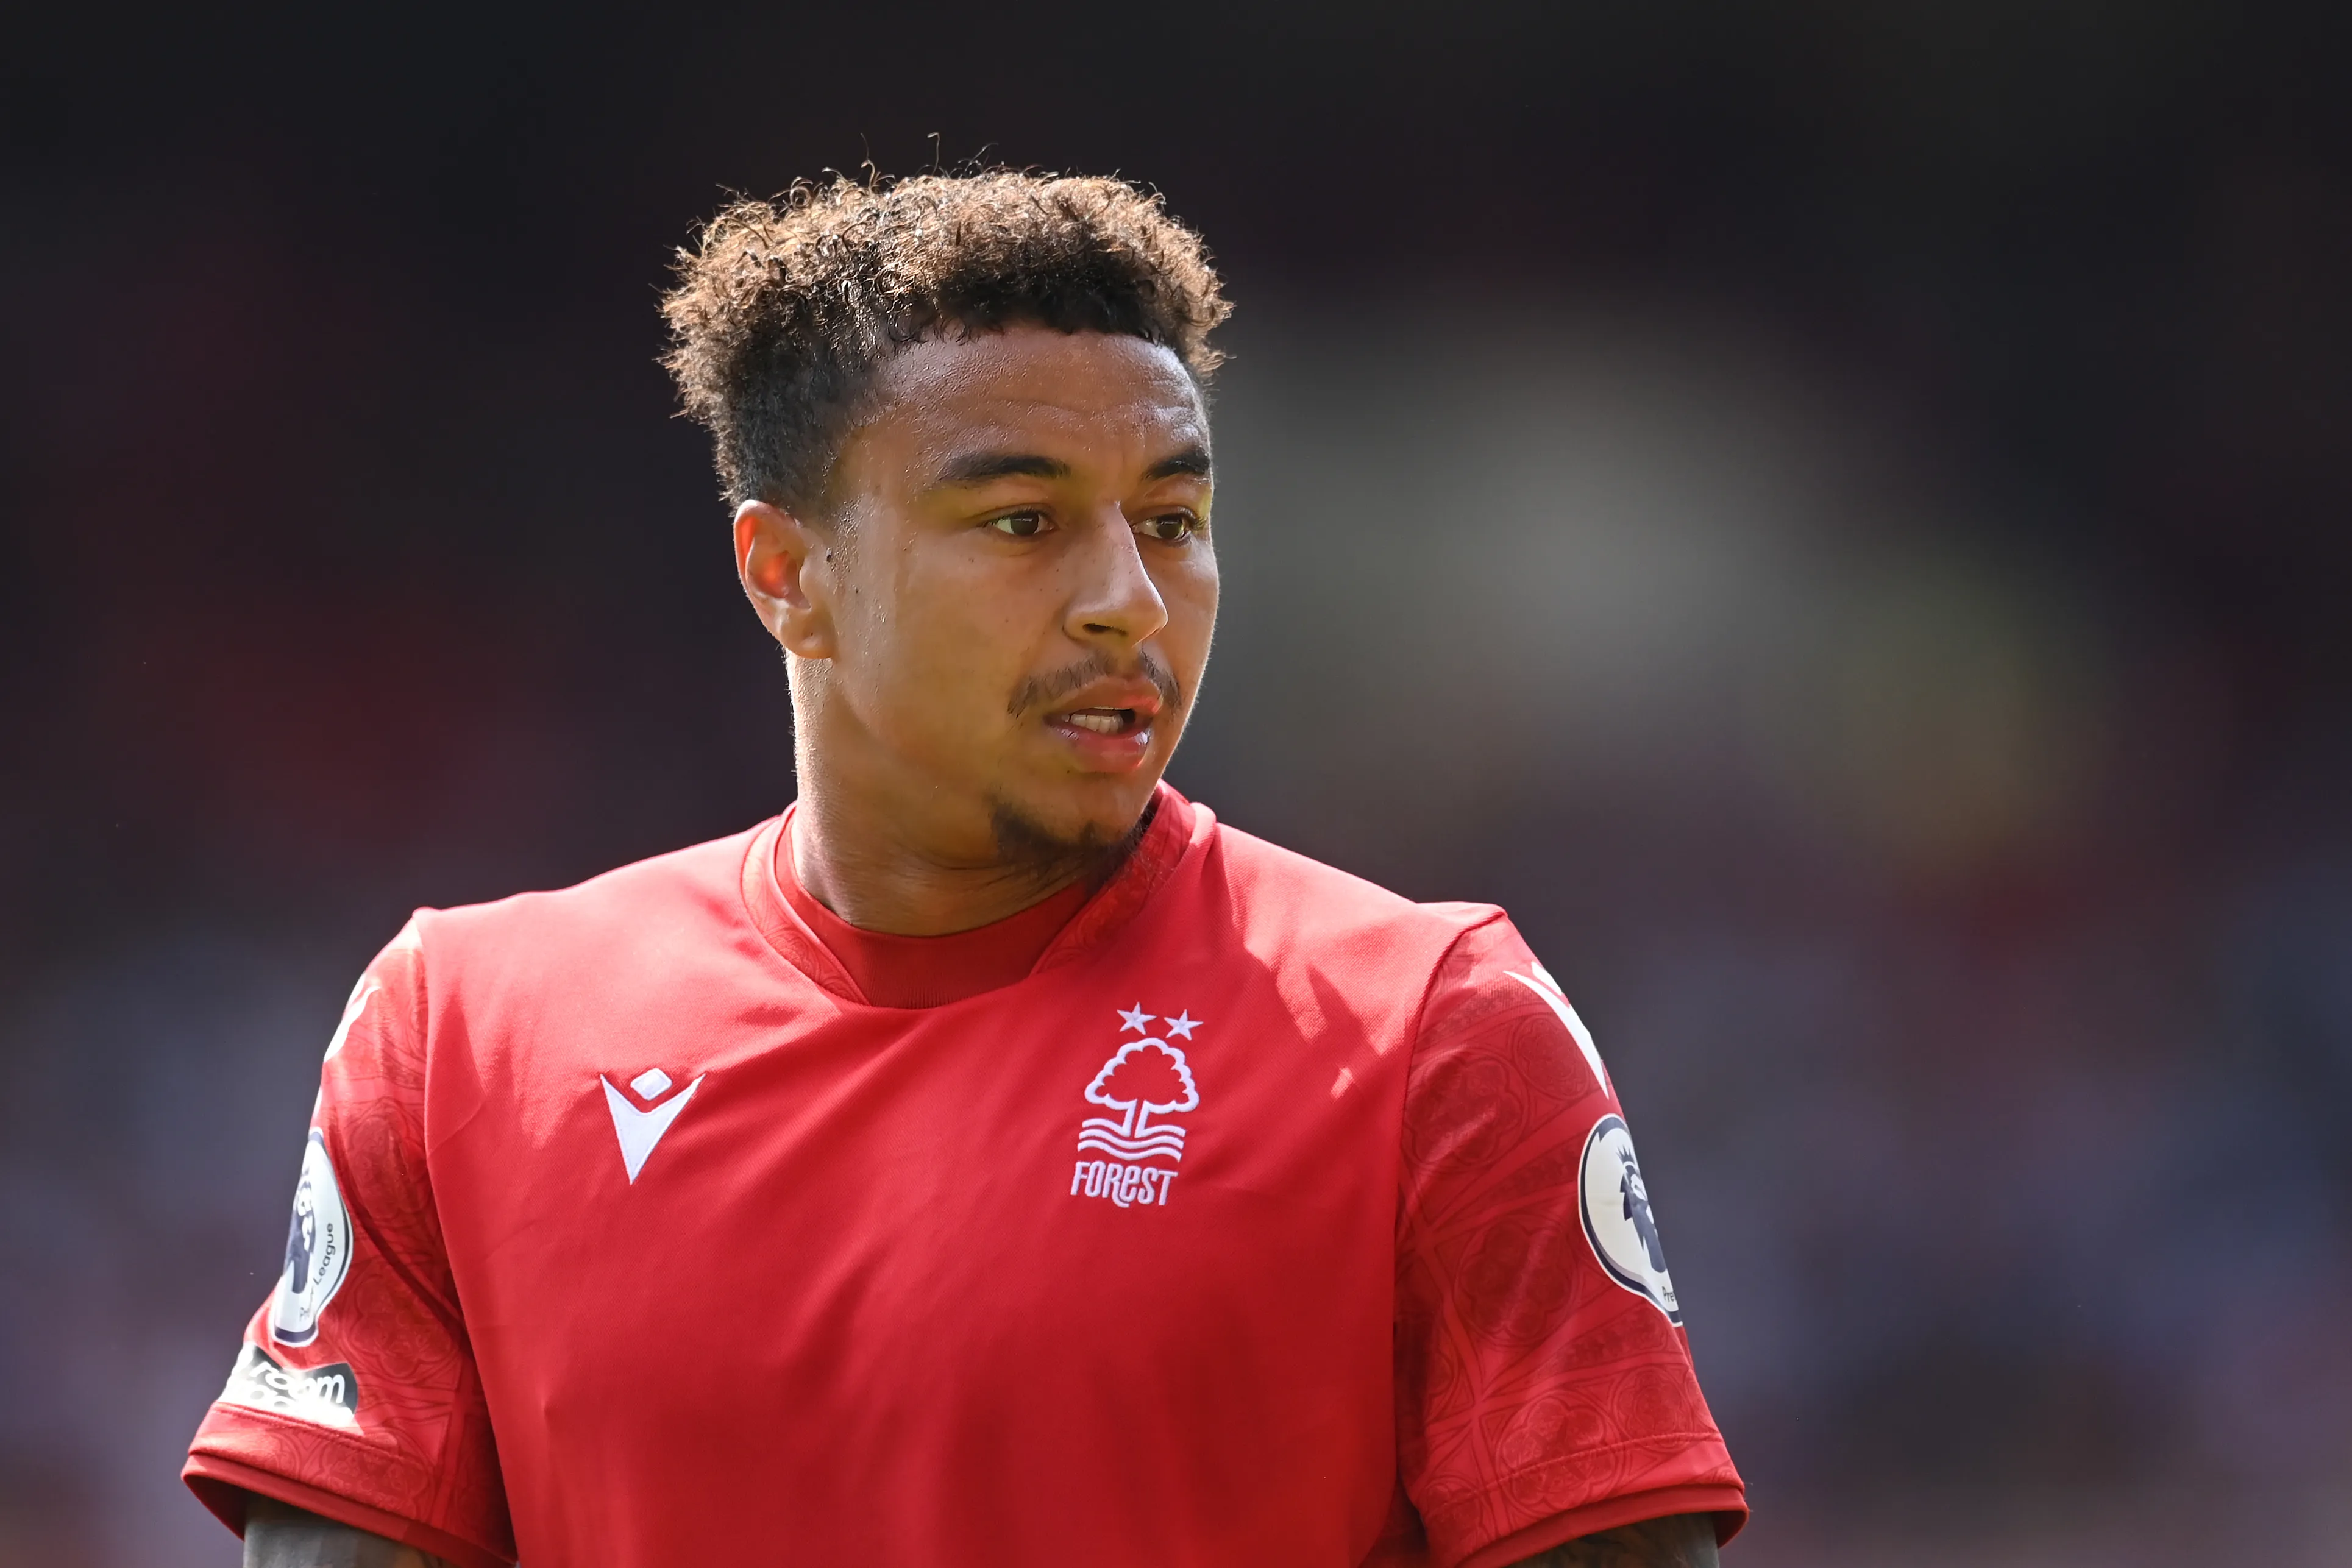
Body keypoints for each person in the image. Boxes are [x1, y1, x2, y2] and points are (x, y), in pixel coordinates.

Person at [183, 171, 1747, 1568]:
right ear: (787, 575)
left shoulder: (1431, 1032)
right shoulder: (464, 1035)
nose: (1129, 600)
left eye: (1174, 519)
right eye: (1024, 520)